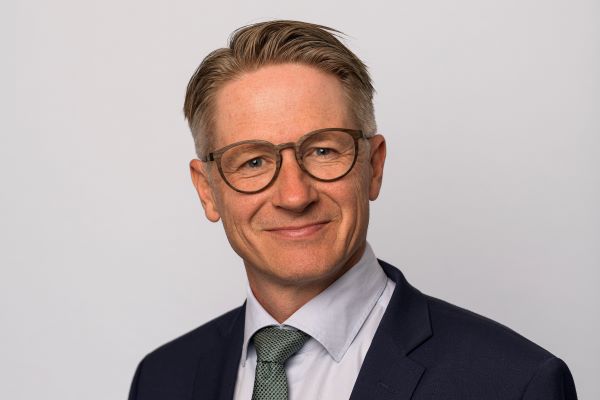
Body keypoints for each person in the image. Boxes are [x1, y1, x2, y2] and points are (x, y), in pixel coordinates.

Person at [128, 20, 577, 400]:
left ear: (373, 166)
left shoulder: (515, 383)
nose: (294, 196)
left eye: (323, 151)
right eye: (254, 162)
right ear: (207, 191)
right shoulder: (161, 380)